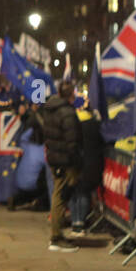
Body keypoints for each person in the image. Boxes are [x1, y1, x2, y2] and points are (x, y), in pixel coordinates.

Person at [33, 80, 83, 252]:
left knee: (59, 194)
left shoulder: (50, 109)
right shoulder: (67, 113)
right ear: (71, 95)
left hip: (55, 157)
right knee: (60, 197)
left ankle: (57, 234)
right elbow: (72, 141)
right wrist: (76, 160)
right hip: (65, 161)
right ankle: (56, 237)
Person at [71, 103, 104, 235]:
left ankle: (75, 223)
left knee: (75, 193)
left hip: (76, 162)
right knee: (84, 192)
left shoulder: (73, 122)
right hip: (92, 163)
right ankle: (81, 223)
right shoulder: (95, 124)